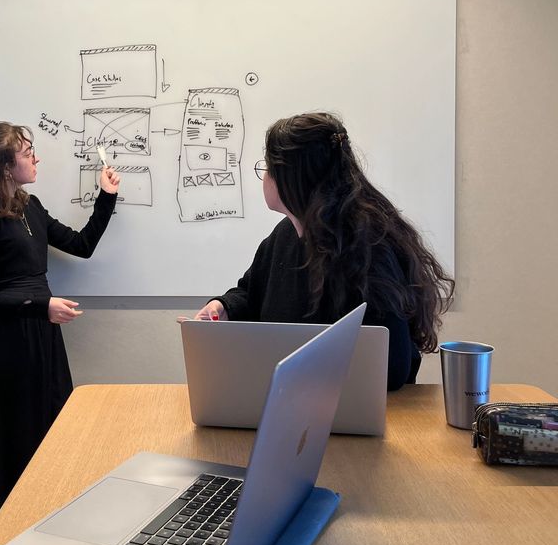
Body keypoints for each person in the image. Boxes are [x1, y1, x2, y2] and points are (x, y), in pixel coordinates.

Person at [192, 112, 454, 390]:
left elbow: (393, 365)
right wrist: (222, 307)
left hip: (364, 409)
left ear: (292, 178)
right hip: (296, 396)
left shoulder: (368, 247)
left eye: (268, 166)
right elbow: (251, 292)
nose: (264, 176)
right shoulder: (285, 234)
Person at [0, 122, 119, 522]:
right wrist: (38, 306)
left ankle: (49, 537)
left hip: (41, 337)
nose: (36, 157)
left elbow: (82, 245)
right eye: (27, 153)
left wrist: (106, 197)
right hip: (4, 347)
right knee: (13, 449)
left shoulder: (31, 206)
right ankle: (7, 544)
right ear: (5, 166)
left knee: (53, 440)